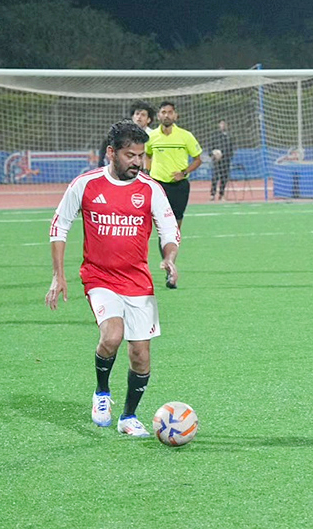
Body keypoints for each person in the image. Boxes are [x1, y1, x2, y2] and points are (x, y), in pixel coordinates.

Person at [45, 119, 180, 438]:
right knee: (112, 336)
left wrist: (169, 258)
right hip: (99, 277)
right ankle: (102, 392)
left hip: (138, 281)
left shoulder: (150, 189)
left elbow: (169, 229)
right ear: (111, 152)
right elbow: (59, 226)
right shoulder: (86, 184)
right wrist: (58, 275)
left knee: (141, 355)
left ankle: (128, 417)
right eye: (130, 155)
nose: (138, 162)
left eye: (141, 156)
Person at [146, 101, 202, 281]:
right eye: (163, 112)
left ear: (175, 115)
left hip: (179, 187)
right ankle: (169, 268)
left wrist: (184, 172)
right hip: (158, 186)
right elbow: (147, 155)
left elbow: (198, 159)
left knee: (174, 230)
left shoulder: (185, 136)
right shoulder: (152, 137)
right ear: (159, 116)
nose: (167, 115)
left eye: (170, 112)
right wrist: (148, 172)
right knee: (162, 229)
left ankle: (170, 264)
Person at [206, 119, 234, 201]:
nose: (223, 125)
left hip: (226, 160)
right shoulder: (215, 136)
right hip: (216, 161)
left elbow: (231, 149)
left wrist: (227, 156)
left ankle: (221, 194)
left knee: (224, 178)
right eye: (221, 124)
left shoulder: (229, 136)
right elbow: (210, 147)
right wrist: (213, 154)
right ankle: (212, 194)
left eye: (224, 124)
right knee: (215, 177)